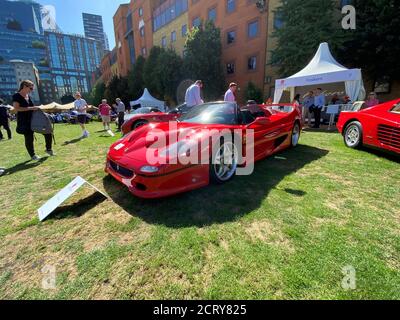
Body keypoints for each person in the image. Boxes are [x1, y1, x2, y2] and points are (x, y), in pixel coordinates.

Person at [12, 80, 54, 160]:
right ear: (24, 86)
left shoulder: (28, 96)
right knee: (29, 138)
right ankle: (33, 155)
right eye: (31, 88)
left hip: (33, 119)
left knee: (48, 132)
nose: (31, 90)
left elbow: (32, 108)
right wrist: (32, 108)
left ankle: (48, 149)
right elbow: (16, 108)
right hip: (24, 121)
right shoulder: (16, 96)